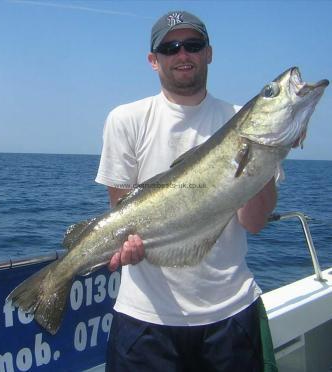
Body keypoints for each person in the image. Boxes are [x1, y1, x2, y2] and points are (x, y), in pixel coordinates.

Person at [96, 10, 277, 372]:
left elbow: (254, 222)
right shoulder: (125, 119)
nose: (182, 54)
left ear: (208, 53)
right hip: (144, 319)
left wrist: (264, 157)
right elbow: (124, 216)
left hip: (229, 313)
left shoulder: (242, 119)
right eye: (170, 46)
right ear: (153, 59)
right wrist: (127, 246)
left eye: (192, 45)